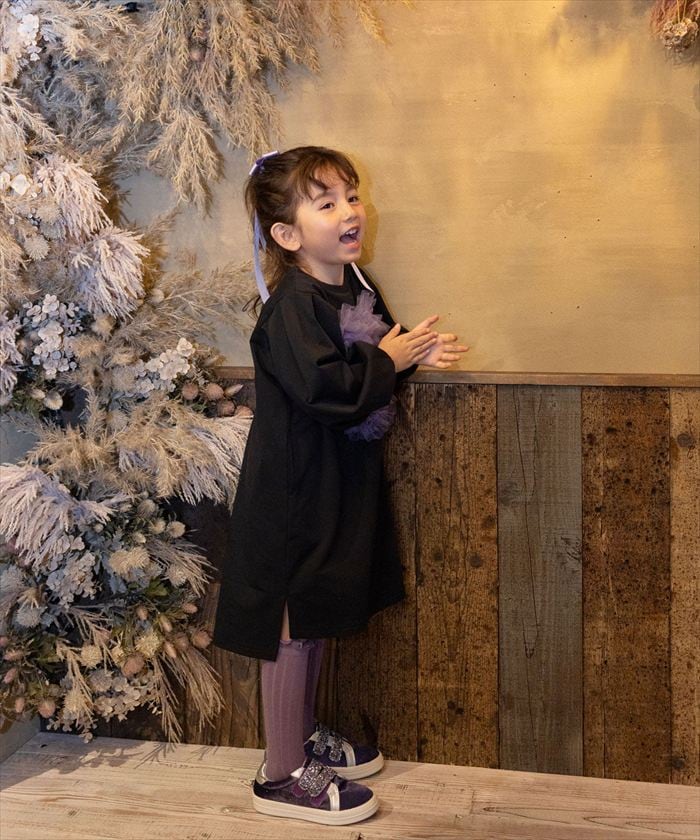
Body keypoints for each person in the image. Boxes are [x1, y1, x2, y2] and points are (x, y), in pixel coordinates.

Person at [212, 146, 468, 826]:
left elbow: (374, 360)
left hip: (337, 482)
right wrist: (389, 360)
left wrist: (411, 354)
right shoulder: (290, 308)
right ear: (287, 234)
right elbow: (329, 389)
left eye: (351, 196)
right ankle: (280, 772)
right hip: (295, 490)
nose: (351, 211)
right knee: (294, 619)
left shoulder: (356, 283)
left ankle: (300, 738)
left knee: (319, 610)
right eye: (326, 203)